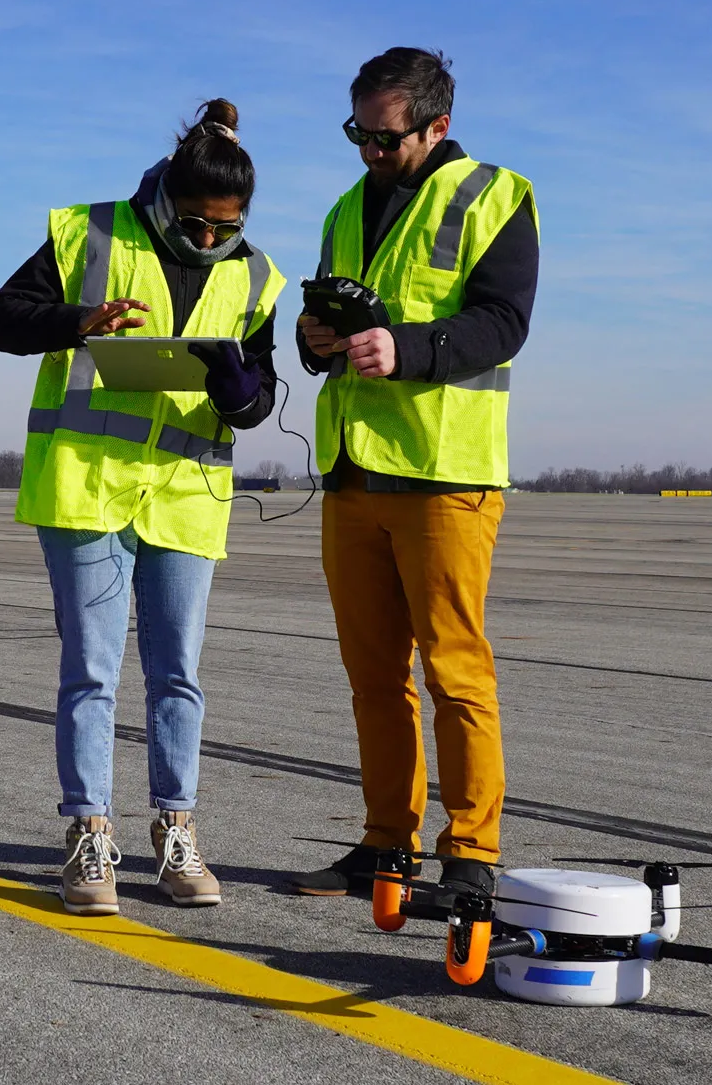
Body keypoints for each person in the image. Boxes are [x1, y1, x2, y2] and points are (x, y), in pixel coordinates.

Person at [0, 100, 286, 916]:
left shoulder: (256, 275)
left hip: (187, 497)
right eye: (197, 223)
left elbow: (261, 394)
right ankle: (88, 834)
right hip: (87, 486)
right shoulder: (90, 234)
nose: (212, 239)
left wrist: (243, 392)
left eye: (228, 226)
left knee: (177, 675)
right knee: (92, 672)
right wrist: (79, 322)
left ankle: (175, 828)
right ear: (166, 197)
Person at [286, 49, 539, 901]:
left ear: (438, 126)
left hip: (444, 473)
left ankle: (471, 853)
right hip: (353, 471)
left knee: (455, 670)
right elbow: (322, 319)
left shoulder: (495, 197)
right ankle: (384, 843)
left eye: (383, 138)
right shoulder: (344, 208)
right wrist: (313, 342)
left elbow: (503, 322)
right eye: (356, 132)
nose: (367, 151)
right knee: (372, 675)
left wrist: (413, 348)